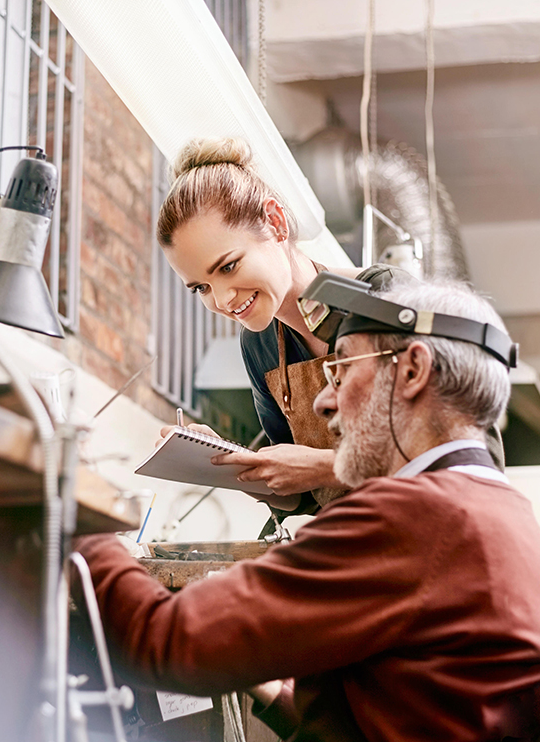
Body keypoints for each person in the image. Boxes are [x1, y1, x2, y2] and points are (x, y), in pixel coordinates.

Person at [75, 274, 540, 741]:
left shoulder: (406, 516)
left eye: (341, 372)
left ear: (413, 370)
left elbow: (168, 642)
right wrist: (272, 692)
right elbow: (397, 715)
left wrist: (79, 507)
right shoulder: (511, 516)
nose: (322, 401)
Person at [155, 137, 411, 519]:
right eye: (201, 288)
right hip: (347, 545)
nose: (222, 300)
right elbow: (302, 499)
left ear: (275, 223)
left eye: (228, 267)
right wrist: (230, 464)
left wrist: (324, 466)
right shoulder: (259, 345)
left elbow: (441, 452)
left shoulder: (384, 296)